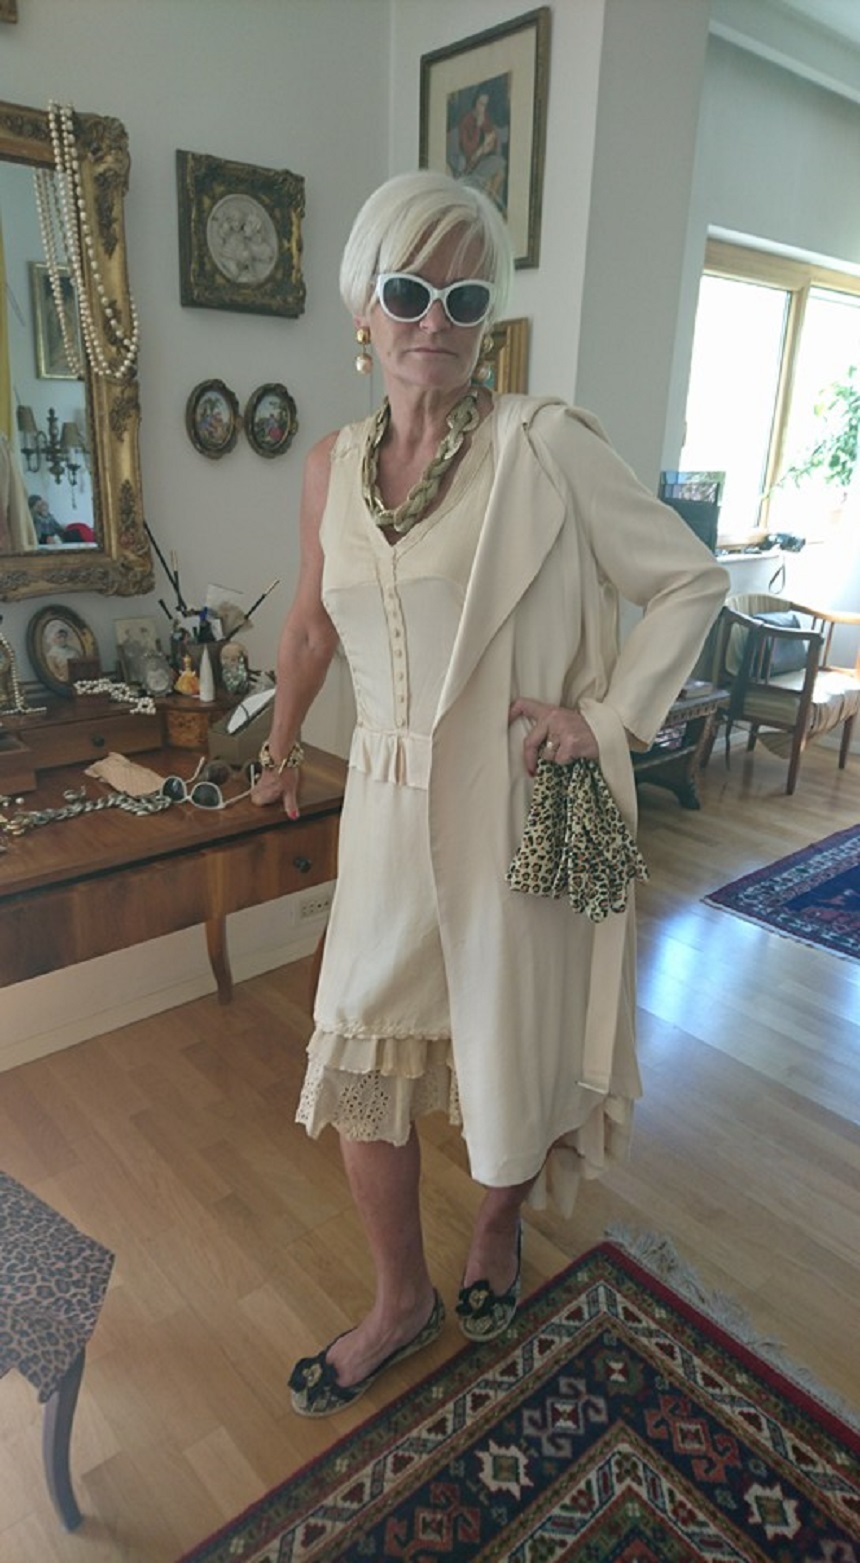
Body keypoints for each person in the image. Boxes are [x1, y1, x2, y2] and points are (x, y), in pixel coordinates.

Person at [252, 170, 728, 1418]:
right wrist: (279, 745)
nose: (435, 321)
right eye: (409, 292)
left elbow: (688, 580)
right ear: (363, 307)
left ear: (487, 321)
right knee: (363, 1054)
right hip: (380, 809)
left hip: (510, 804)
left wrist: (606, 721)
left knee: (506, 1043)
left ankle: (495, 1230)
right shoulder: (330, 465)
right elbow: (309, 625)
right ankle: (398, 1299)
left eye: (465, 300)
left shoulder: (541, 446)